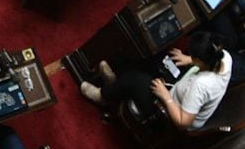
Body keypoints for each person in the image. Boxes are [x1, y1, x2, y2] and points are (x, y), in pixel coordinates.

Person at [80, 32, 232, 129]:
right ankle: (115, 87)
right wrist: (189, 60)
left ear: (200, 61)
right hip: (183, 88)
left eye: (193, 56)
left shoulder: (202, 85)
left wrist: (165, 96)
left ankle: (103, 96)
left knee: (135, 79)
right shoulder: (224, 56)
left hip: (168, 115)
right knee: (155, 61)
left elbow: (183, 122)